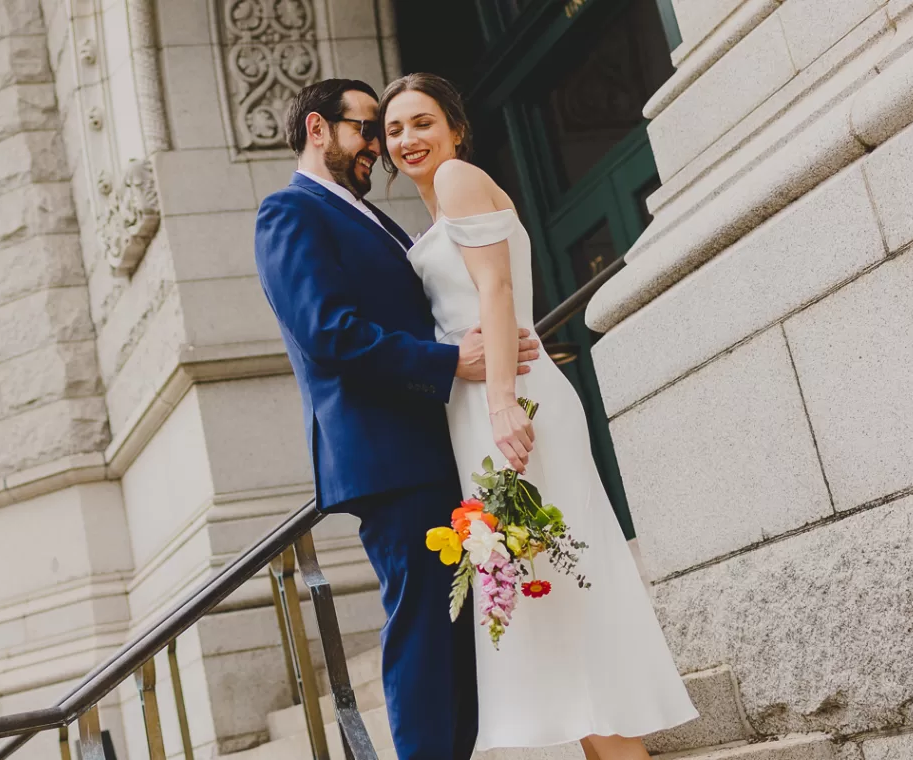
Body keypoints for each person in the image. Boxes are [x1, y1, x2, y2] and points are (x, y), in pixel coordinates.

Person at [378, 72, 700, 760]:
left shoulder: (462, 177)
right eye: (395, 129)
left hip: (511, 405)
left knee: (560, 588)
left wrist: (499, 402)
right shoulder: (434, 213)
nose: (408, 138)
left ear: (455, 129)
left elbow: (495, 289)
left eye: (422, 122)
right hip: (477, 411)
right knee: (537, 594)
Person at [253, 79, 541, 760]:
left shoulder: (367, 216)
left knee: (459, 633)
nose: (378, 149)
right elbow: (331, 334)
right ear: (318, 129)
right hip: (389, 456)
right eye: (367, 130)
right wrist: (449, 363)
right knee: (423, 633)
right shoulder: (289, 212)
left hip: (434, 443)